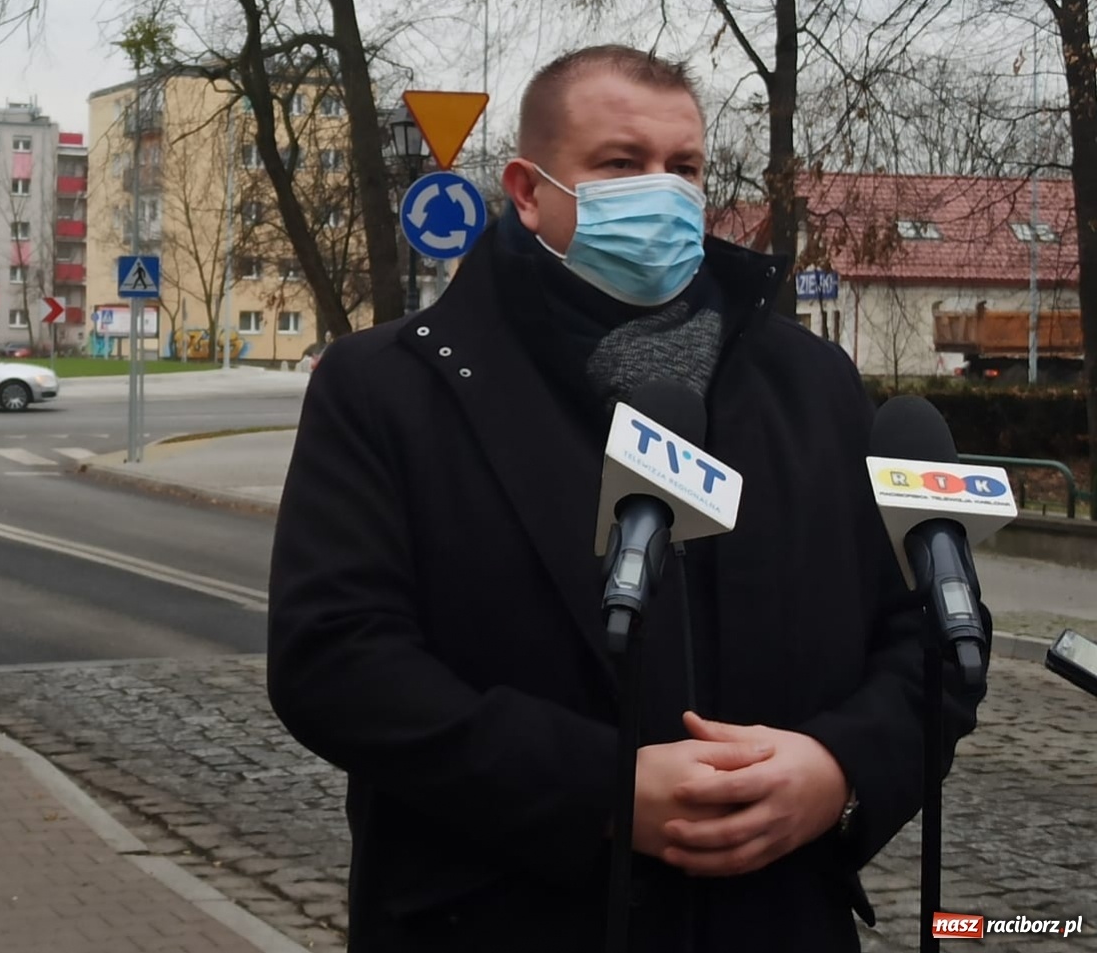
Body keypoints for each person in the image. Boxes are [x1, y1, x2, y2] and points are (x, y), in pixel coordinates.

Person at [266, 46, 987, 951]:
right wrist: (597, 791)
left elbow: (928, 635)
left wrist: (839, 769)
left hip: (773, 920)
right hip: (496, 918)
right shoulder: (392, 388)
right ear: (528, 191)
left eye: (683, 167)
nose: (664, 192)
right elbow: (334, 662)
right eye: (619, 164)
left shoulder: (811, 384)